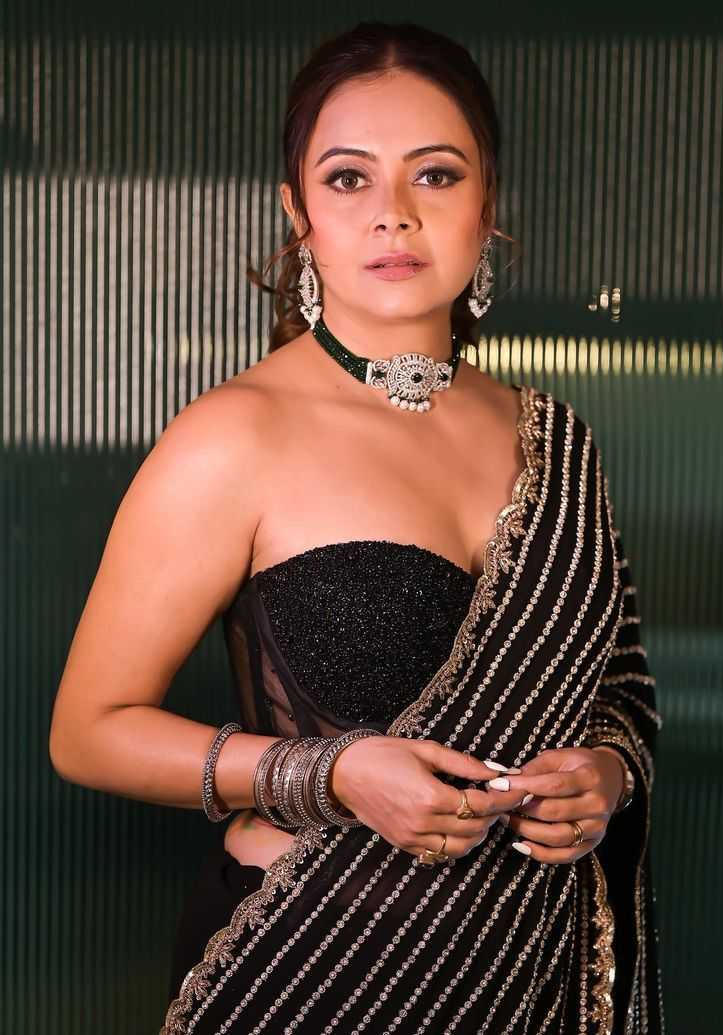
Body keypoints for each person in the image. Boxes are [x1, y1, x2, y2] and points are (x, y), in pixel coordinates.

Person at [48, 20, 666, 1034]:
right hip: (311, 969)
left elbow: (623, 695)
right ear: (298, 213)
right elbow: (88, 732)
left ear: (487, 207)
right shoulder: (233, 437)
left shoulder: (557, 441)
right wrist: (329, 774)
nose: (394, 214)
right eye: (348, 178)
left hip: (528, 979)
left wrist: (603, 775)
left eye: (436, 175)